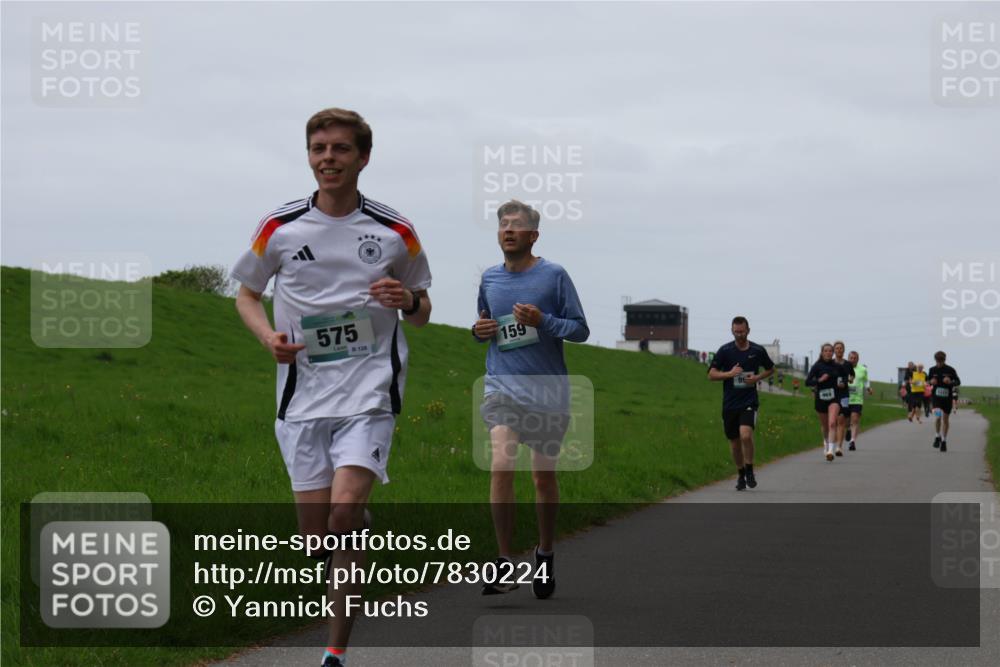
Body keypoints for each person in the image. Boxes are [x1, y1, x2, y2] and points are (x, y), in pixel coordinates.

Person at [231, 108, 432, 667]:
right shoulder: (280, 226)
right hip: (302, 396)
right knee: (316, 536)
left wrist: (408, 301)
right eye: (319, 149)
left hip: (370, 389)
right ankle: (356, 523)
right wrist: (267, 336)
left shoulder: (396, 231)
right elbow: (246, 293)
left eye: (340, 149)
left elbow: (422, 309)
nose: (328, 159)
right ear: (309, 156)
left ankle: (334, 653)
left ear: (363, 157)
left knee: (342, 515)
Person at [472, 199, 589, 598]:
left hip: (548, 392)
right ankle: (505, 562)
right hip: (501, 387)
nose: (507, 230)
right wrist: (480, 331)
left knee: (542, 477)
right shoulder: (489, 278)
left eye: (516, 225)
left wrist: (543, 321)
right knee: (501, 463)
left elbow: (580, 330)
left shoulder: (554, 276)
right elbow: (485, 324)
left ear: (533, 235)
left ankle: (545, 552)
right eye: (503, 224)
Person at [708, 316, 776, 490]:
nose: (739, 334)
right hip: (730, 403)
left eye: (742, 331)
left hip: (749, 401)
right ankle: (740, 474)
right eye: (736, 331)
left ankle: (750, 469)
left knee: (745, 435)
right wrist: (729, 374)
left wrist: (757, 378)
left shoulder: (757, 350)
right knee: (735, 443)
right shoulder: (725, 350)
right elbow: (711, 374)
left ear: (748, 330)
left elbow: (770, 369)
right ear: (732, 331)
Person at [806, 343, 851, 461]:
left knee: (832, 423)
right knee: (825, 426)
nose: (828, 353)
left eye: (830, 351)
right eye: (826, 351)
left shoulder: (836, 366)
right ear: (822, 352)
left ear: (833, 353)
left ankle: (831, 450)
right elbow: (807, 382)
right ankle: (826, 443)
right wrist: (819, 380)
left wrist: (843, 382)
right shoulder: (817, 366)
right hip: (821, 399)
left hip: (834, 398)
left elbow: (846, 376)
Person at [928, 351, 961, 452]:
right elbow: (928, 381)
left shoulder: (950, 370)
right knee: (938, 417)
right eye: (938, 361)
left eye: (941, 361)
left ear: (944, 360)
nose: (939, 363)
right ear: (935, 360)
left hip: (947, 399)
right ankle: (937, 436)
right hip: (936, 398)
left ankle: (944, 441)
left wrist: (950, 382)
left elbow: (958, 382)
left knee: (945, 420)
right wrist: (930, 382)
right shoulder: (932, 370)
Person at [844, 350, 872, 451]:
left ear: (858, 359)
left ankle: (852, 441)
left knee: (855, 419)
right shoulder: (843, 368)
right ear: (848, 358)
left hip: (857, 399)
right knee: (846, 421)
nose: (853, 360)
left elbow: (866, 380)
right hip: (845, 398)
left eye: (855, 358)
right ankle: (847, 429)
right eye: (851, 358)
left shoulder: (862, 369)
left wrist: (868, 388)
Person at [831, 341, 854, 456]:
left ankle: (839, 447)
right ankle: (832, 443)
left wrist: (850, 380)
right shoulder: (830, 363)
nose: (839, 350)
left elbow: (852, 375)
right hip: (832, 394)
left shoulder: (848, 364)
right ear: (834, 350)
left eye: (841, 348)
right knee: (833, 421)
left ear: (843, 350)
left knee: (841, 419)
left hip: (844, 394)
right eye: (837, 348)